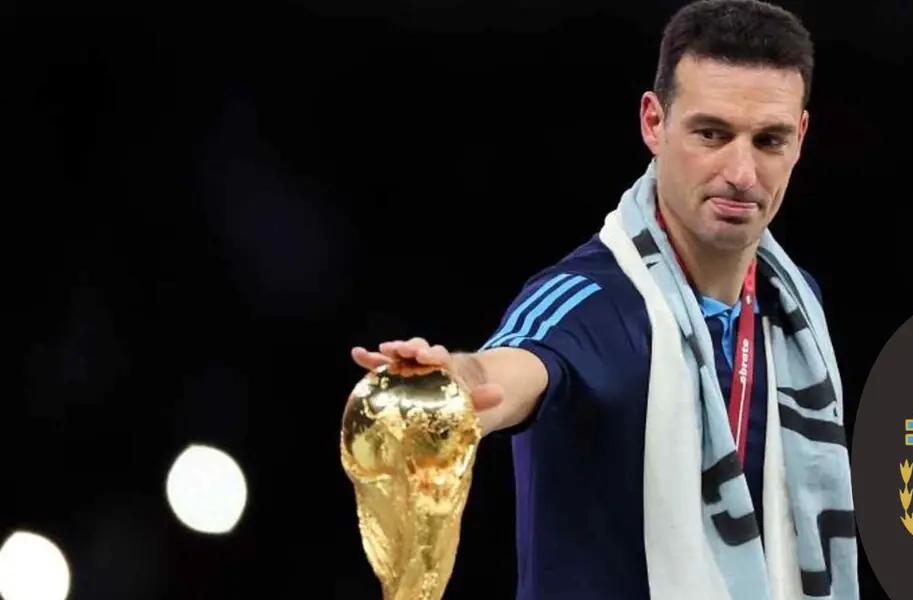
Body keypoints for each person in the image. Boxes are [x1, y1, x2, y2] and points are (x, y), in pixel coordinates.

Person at [351, 1, 857, 598]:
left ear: (800, 137)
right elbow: (509, 368)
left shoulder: (795, 308)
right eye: (711, 134)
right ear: (653, 122)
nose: (741, 172)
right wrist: (453, 384)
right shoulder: (587, 301)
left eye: (768, 140)